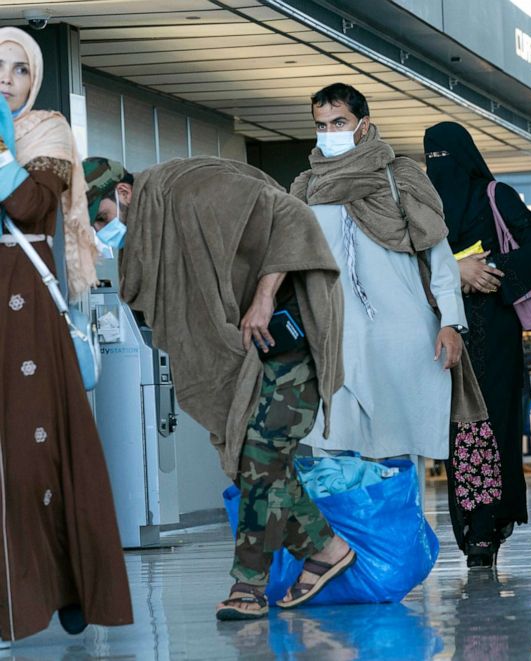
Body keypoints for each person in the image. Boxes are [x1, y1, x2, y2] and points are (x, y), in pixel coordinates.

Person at [83, 154, 350, 620]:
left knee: (262, 455)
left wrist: (264, 298)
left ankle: (249, 585)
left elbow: (292, 215)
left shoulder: (194, 190)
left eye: (102, 218)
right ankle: (326, 547)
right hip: (250, 347)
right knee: (253, 459)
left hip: (290, 328)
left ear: (123, 193)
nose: (103, 232)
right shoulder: (144, 232)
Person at [0, 27, 132, 646]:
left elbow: (28, 205)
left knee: (34, 455)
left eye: (17, 71)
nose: (4, 81)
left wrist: (1, 146)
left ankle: (63, 583)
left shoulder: (47, 133)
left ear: (34, 79)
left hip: (23, 306)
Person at [292, 87, 487, 499]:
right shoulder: (306, 188)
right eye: (321, 125)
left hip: (401, 340)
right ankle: (343, 554)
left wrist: (451, 323)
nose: (329, 132)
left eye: (339, 123)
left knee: (395, 457)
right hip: (334, 340)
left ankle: (395, 554)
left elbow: (439, 255)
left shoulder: (401, 178)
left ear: (363, 124)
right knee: (330, 451)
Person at [424, 121, 531, 566]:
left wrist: (492, 270)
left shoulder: (497, 195)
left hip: (494, 332)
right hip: (443, 332)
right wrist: (456, 273)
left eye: (444, 158)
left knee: (492, 425)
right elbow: (410, 262)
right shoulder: (423, 206)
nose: (437, 167)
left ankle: (489, 522)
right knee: (460, 431)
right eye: (430, 158)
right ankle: (473, 524)